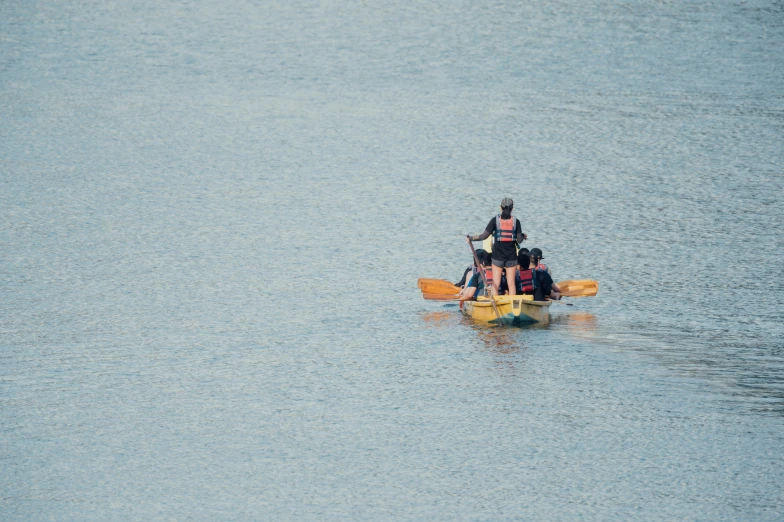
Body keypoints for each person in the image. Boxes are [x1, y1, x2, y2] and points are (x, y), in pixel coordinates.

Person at [467, 198, 527, 296]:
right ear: (512, 209)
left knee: (495, 283)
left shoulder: (495, 221)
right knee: (511, 284)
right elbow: (519, 240)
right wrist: (523, 235)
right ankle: (512, 306)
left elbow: (483, 236)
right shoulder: (516, 222)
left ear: (500, 208)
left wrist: (471, 238)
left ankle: (495, 302)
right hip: (511, 257)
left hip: (497, 257)